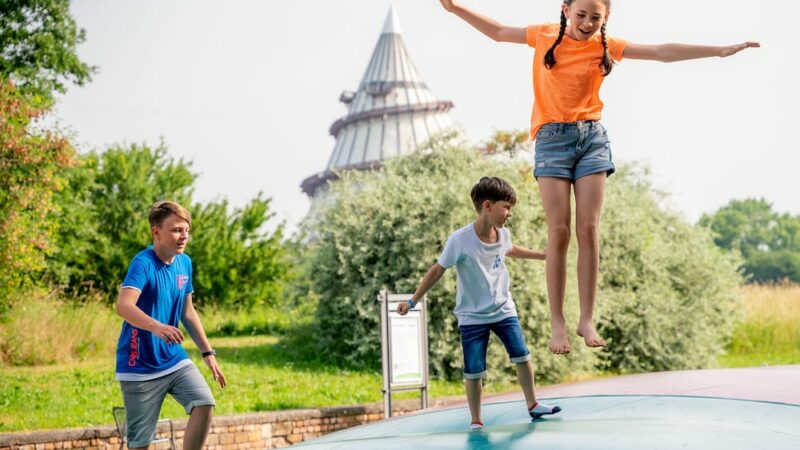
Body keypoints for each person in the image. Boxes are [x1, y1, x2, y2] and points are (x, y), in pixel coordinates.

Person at [438, 0, 759, 354]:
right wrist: (453, 8)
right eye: (581, 15)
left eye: (596, 17)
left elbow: (662, 52)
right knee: (559, 231)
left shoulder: (606, 46)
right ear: (565, 10)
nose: (588, 23)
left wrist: (718, 51)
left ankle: (586, 319)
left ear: (606, 19)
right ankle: (558, 322)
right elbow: (498, 32)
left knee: (588, 228)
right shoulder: (544, 36)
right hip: (552, 142)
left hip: (592, 140)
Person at [397, 177, 560, 429]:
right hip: (472, 315)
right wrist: (412, 301)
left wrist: (542, 255)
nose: (509, 213)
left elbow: (510, 249)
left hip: (503, 309)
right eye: (506, 207)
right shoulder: (459, 240)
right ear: (487, 205)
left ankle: (533, 405)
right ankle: (476, 420)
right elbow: (437, 270)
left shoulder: (503, 234)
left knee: (522, 355)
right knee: (474, 370)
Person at [115, 200, 227, 450]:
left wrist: (208, 353)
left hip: (174, 359)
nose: (183, 236)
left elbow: (188, 311)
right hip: (139, 365)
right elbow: (124, 306)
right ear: (156, 232)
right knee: (140, 444)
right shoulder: (142, 263)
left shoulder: (184, 263)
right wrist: (157, 327)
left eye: (186, 230)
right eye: (176, 230)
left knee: (204, 402)